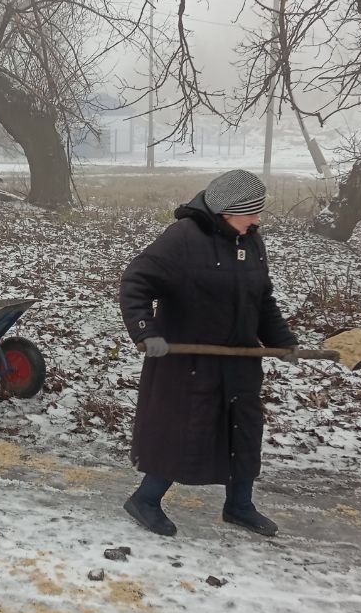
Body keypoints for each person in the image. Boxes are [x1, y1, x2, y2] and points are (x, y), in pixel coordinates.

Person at [118, 169, 299, 539]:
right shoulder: (183, 238)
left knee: (243, 431)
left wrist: (282, 341)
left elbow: (262, 299)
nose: (258, 220)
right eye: (251, 213)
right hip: (189, 363)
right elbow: (135, 281)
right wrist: (145, 332)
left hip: (240, 359)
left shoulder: (249, 240)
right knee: (183, 431)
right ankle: (145, 500)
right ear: (226, 212)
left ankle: (239, 506)